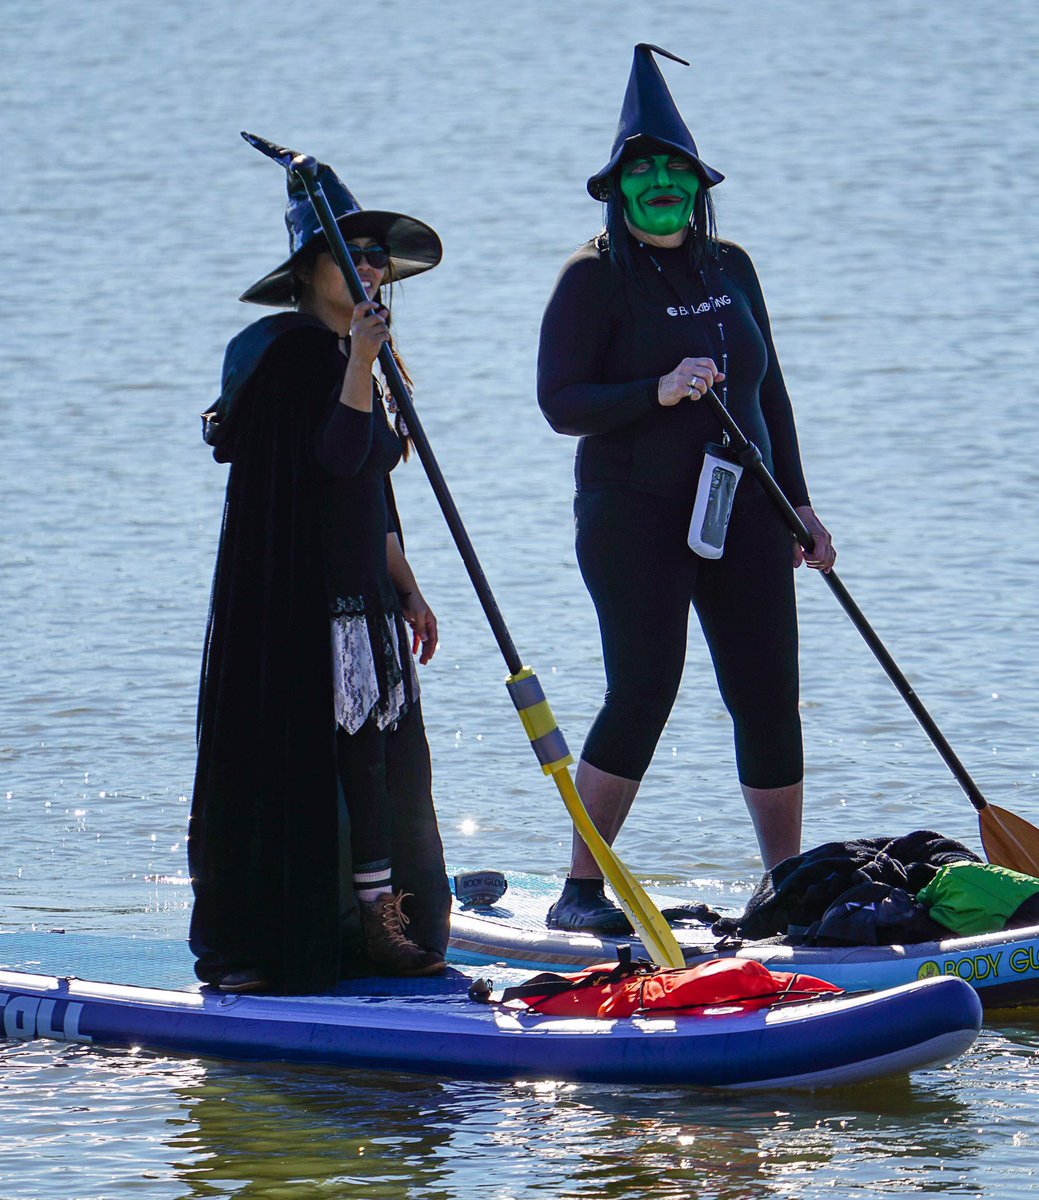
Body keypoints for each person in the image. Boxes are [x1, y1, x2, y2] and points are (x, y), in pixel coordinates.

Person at [537, 45, 837, 934]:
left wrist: (801, 503)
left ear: (698, 185)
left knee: (766, 690)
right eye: (643, 171)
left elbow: (767, 388)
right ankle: (580, 890)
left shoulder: (731, 265)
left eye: (674, 170)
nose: (660, 183)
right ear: (617, 187)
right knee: (645, 687)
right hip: (631, 511)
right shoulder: (590, 277)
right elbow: (560, 405)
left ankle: (785, 888)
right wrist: (654, 391)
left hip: (744, 508)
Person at [189, 155, 452, 991]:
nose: (372, 269)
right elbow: (335, 456)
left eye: (379, 258)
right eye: (354, 255)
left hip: (365, 600)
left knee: (379, 769)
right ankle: (344, 926)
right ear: (311, 269)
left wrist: (405, 583)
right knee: (337, 769)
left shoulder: (354, 355)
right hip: (304, 613)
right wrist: (359, 363)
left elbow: (369, 492)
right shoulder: (300, 357)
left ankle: (381, 919)